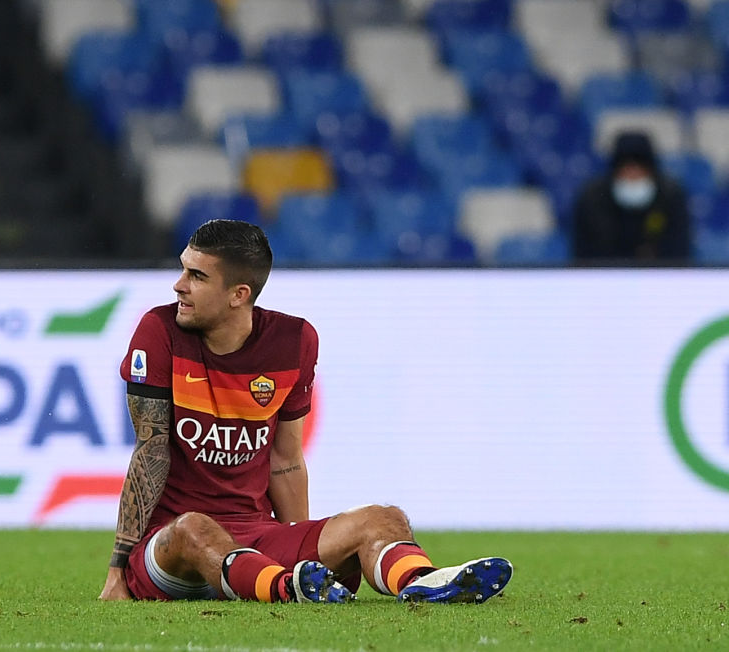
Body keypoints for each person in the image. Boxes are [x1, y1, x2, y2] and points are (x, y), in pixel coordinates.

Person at [99, 219, 512, 604]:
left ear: (239, 294)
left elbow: (285, 459)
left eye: (197, 276)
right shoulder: (159, 331)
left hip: (257, 535)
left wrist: (300, 546)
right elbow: (150, 452)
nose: (178, 286)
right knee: (194, 527)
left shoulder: (294, 340)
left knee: (384, 517)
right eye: (183, 270)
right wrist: (118, 570)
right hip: (172, 548)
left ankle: (421, 581)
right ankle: (286, 587)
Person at [573, 130, 692, 263]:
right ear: (615, 171)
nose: (633, 176)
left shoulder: (670, 197)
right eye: (626, 168)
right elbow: (583, 256)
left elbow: (680, 253)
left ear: (651, 170)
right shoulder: (593, 200)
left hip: (659, 279)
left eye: (639, 168)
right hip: (605, 278)